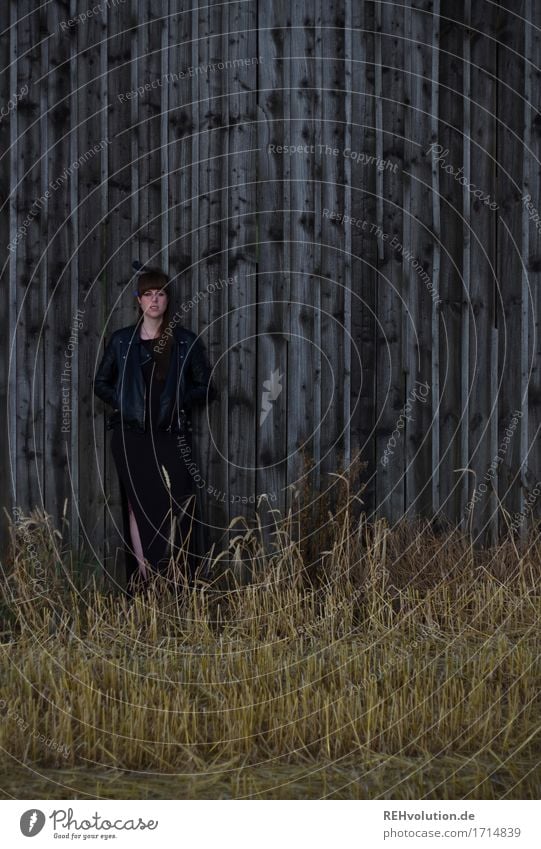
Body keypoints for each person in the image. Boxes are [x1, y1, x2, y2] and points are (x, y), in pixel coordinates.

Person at [94, 262, 217, 595]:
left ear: (167, 300)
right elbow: (100, 384)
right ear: (138, 300)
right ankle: (147, 582)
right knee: (138, 504)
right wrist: (124, 403)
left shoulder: (184, 342)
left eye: (160, 293)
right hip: (130, 436)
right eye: (147, 294)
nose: (154, 300)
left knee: (177, 504)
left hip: (171, 435)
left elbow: (206, 387)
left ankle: (179, 582)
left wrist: (178, 401)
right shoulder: (122, 342)